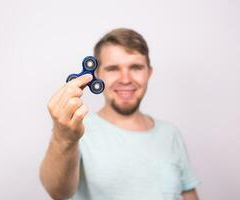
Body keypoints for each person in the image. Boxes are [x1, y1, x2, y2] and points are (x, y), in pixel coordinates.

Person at [40, 28, 201, 200]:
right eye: (113, 69)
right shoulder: (76, 129)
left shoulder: (170, 134)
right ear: (97, 74)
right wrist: (64, 139)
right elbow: (58, 192)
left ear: (149, 72)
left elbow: (189, 195)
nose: (125, 79)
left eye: (136, 67)